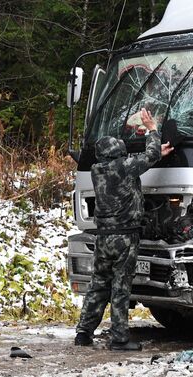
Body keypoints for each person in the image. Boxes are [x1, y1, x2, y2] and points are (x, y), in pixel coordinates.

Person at [74, 108, 174, 351]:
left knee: (98, 284)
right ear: (118, 153)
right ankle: (119, 339)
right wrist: (152, 129)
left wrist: (153, 154)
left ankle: (83, 333)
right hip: (124, 237)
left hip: (103, 238)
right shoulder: (124, 167)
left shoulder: (98, 170)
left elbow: (146, 158)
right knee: (120, 287)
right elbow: (149, 154)